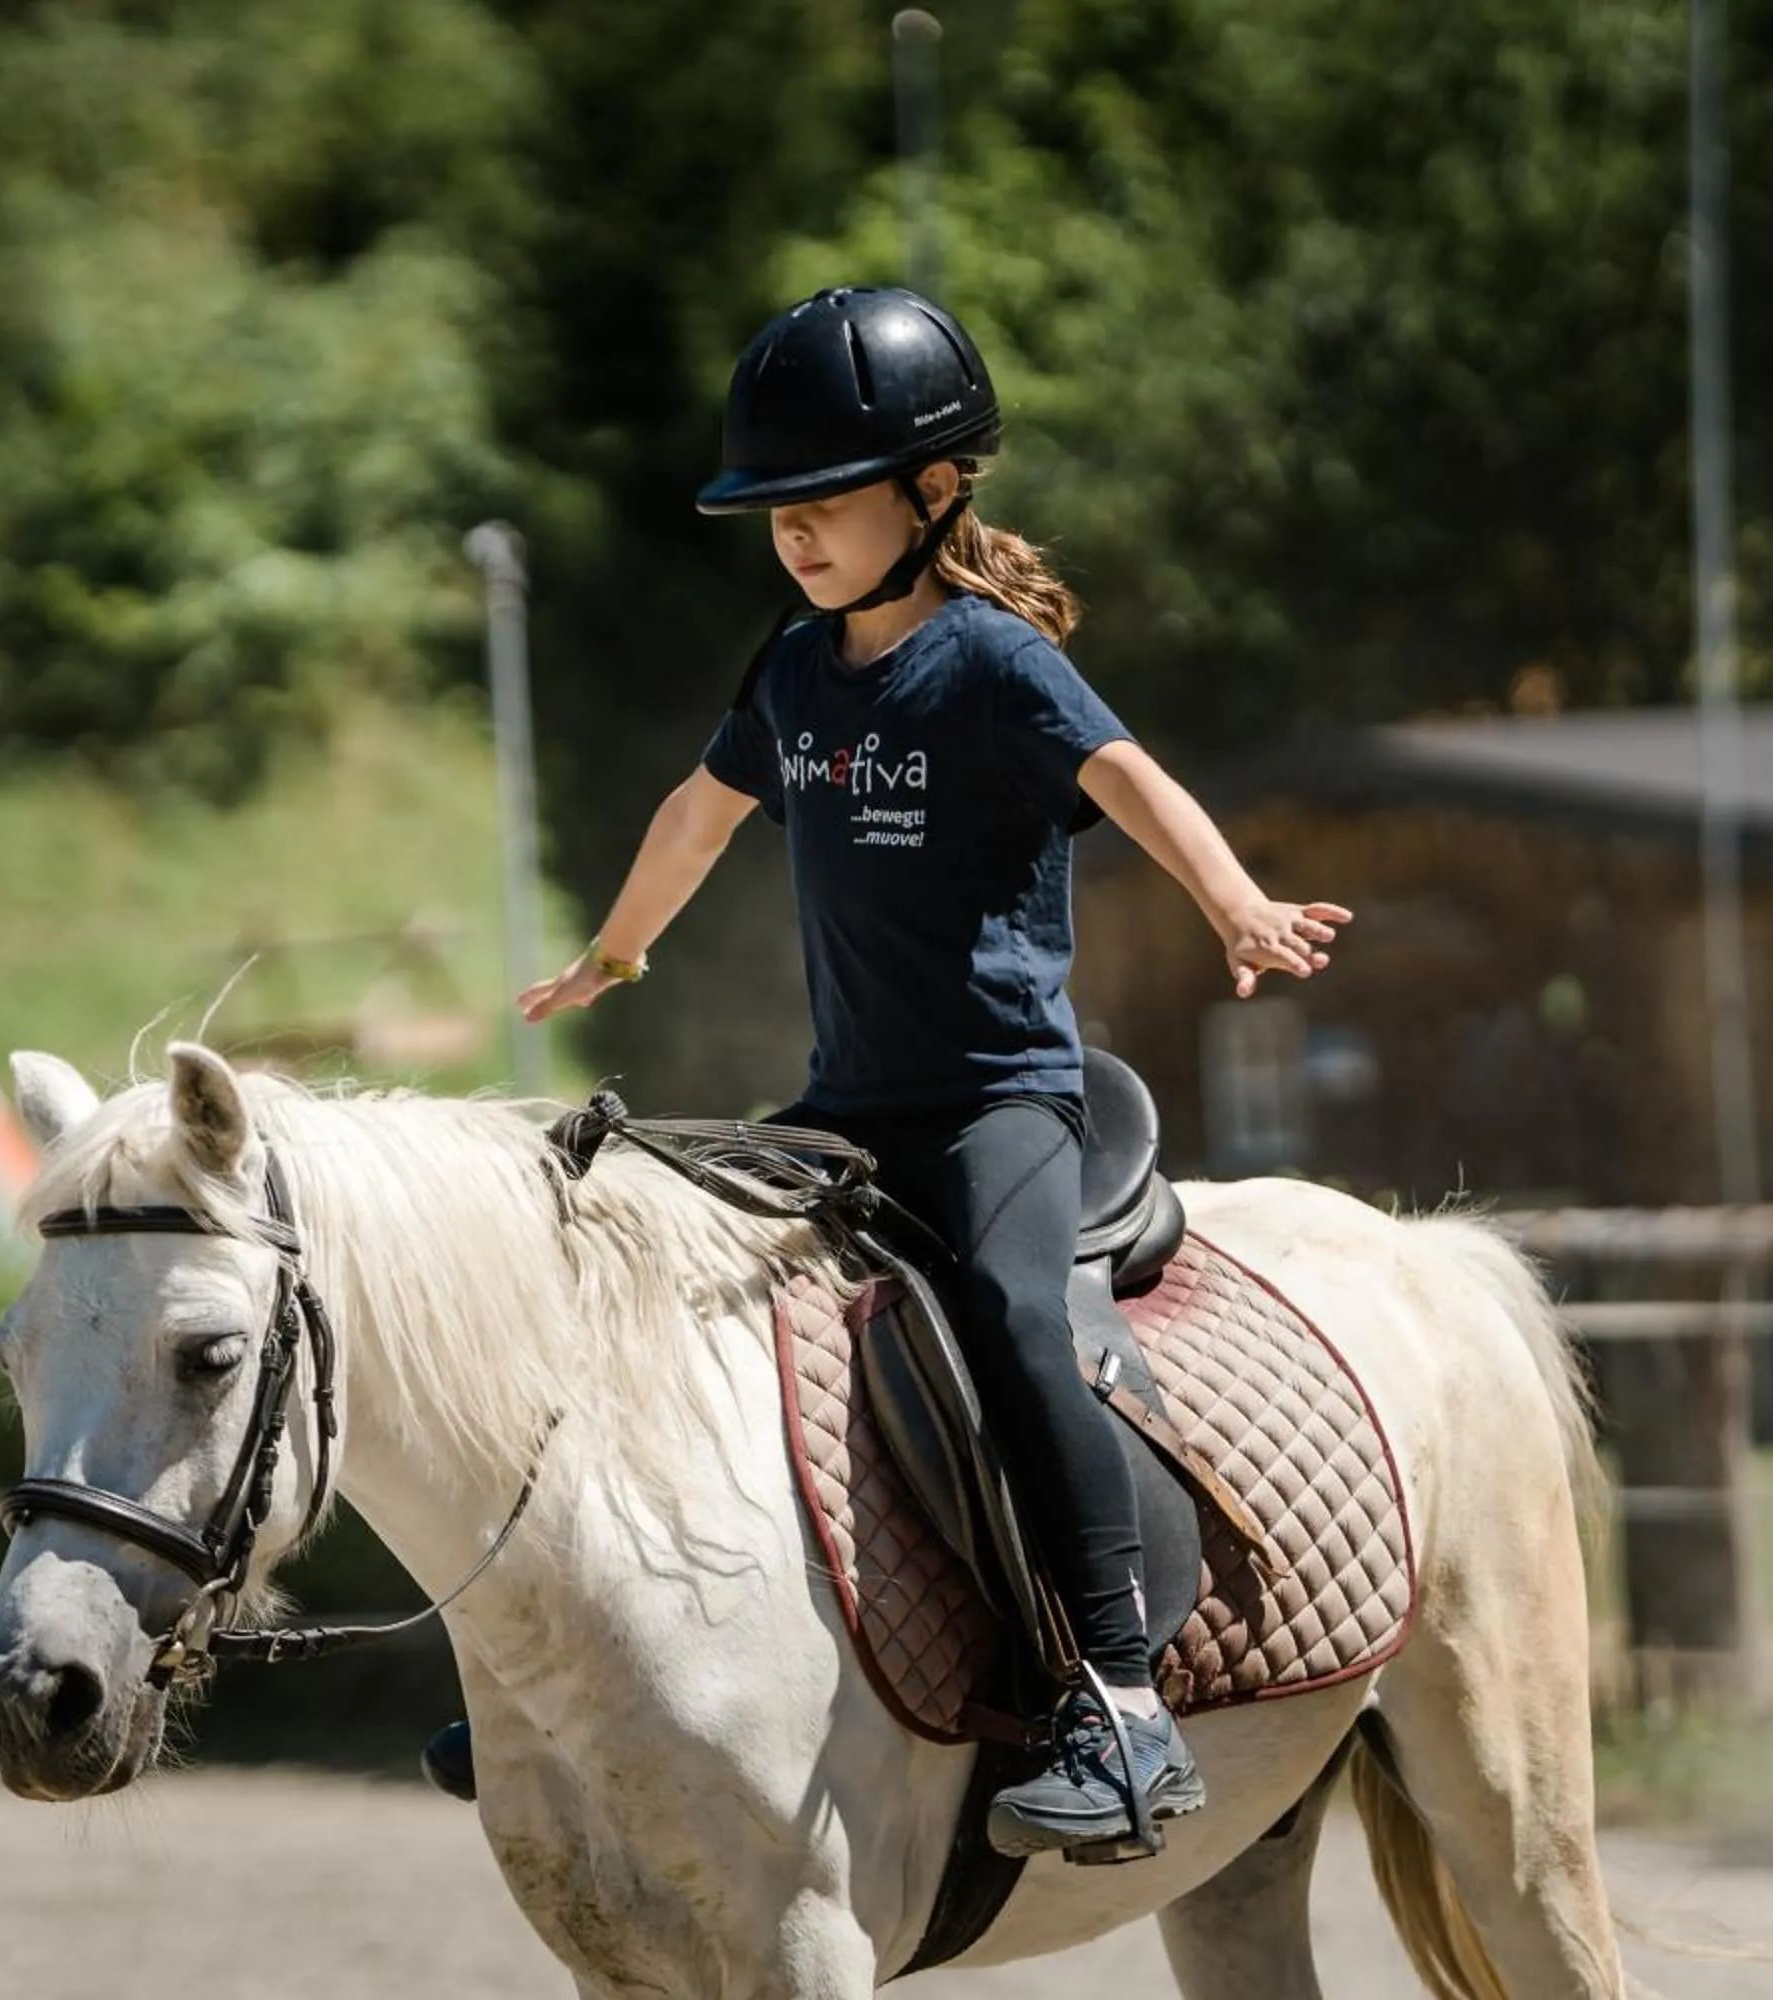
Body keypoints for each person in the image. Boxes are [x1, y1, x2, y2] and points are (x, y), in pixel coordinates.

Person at [424, 286, 1350, 1860]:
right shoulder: (793, 673)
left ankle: (1120, 1700)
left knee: (1008, 1318)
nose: (794, 536)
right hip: (849, 1101)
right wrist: (615, 955)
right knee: (652, 1256)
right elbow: (695, 816)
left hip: (1000, 1099)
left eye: (826, 504)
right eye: (774, 512)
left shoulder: (993, 664)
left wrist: (1235, 902)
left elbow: (1130, 778)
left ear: (934, 495)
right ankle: (580, 1647)